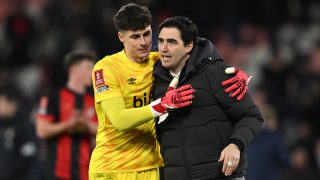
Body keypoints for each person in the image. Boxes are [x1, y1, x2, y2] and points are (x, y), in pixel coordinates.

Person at [89, 3, 251, 180]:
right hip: (112, 168)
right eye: (135, 37)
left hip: (153, 167)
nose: (143, 42)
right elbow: (119, 119)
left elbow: (198, 49)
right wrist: (162, 105)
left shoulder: (158, 61)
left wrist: (231, 73)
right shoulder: (106, 68)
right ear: (121, 37)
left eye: (147, 34)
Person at [153, 16, 264, 180]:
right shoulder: (154, 81)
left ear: (189, 46)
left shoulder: (215, 73)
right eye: (161, 41)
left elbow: (252, 116)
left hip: (221, 176)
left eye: (172, 42)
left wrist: (236, 145)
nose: (163, 48)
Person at [35, 49, 98, 180]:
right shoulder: (52, 96)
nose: (92, 72)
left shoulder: (94, 100)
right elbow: (42, 130)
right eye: (88, 68)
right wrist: (70, 123)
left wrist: (85, 123)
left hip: (85, 174)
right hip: (56, 173)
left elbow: (102, 132)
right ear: (74, 70)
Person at [0, 87, 38, 180]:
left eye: (1, 103)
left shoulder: (24, 126)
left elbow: (29, 154)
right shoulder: (2, 124)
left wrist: (8, 173)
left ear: (12, 104)